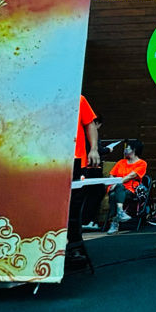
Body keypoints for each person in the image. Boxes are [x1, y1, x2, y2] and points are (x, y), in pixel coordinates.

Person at [68, 95, 101, 250]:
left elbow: (90, 124)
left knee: (74, 207)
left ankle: (75, 247)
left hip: (76, 161)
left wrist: (94, 149)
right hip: (47, 160)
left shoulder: (78, 98)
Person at [106, 139, 147, 234]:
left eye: (128, 148)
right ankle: (120, 212)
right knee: (117, 189)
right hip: (114, 188)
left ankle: (114, 221)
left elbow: (130, 176)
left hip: (130, 190)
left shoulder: (142, 163)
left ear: (134, 150)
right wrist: (113, 184)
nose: (125, 150)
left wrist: (116, 184)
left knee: (113, 195)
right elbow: (112, 174)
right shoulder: (121, 162)